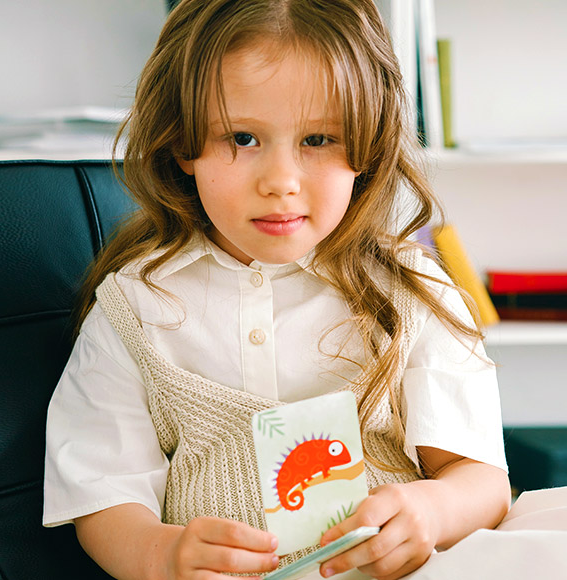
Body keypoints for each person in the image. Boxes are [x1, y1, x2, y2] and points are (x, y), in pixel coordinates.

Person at [43, 1, 511, 579]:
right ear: (181, 143)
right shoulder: (134, 307)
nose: (280, 183)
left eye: (317, 139)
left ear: (366, 148)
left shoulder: (411, 289)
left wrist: (431, 512)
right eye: (242, 137)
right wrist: (162, 556)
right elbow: (102, 498)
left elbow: (483, 481)